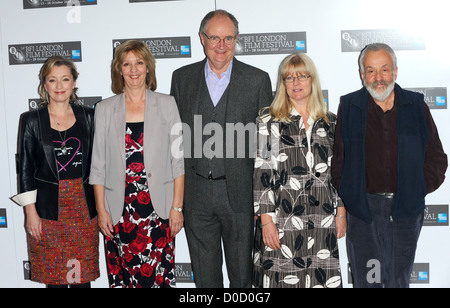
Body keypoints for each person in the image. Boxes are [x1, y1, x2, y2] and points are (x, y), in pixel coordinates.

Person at [170, 10, 273, 288]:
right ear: (202, 38)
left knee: (242, 279)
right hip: (196, 197)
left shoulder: (257, 79)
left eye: (228, 38)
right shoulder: (182, 78)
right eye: (214, 37)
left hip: (240, 197)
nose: (221, 45)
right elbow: (176, 141)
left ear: (237, 39)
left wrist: (263, 202)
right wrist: (177, 201)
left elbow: (266, 149)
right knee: (205, 280)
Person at [332, 43, 447, 288]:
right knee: (367, 281)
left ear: (395, 71)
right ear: (362, 74)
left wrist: (416, 188)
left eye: (384, 70)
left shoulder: (415, 105)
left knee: (397, 281)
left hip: (405, 208)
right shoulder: (350, 106)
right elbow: (339, 162)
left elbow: (437, 157)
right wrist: (351, 198)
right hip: (364, 210)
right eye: (371, 71)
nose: (378, 78)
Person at [89, 40, 185, 288]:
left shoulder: (167, 104)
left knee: (159, 279)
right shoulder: (104, 109)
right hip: (119, 212)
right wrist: (102, 211)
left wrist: (177, 207)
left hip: (158, 210)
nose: (134, 70)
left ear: (148, 68)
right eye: (127, 64)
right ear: (119, 69)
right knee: (125, 280)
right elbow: (97, 166)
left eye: (139, 63)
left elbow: (178, 161)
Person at [252, 53, 346, 288]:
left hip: (322, 219)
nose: (296, 83)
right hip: (282, 218)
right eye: (289, 77)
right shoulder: (268, 121)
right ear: (282, 83)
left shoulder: (331, 122)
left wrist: (341, 211)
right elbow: (262, 171)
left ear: (312, 80)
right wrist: (266, 220)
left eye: (302, 76)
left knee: (320, 280)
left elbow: (339, 172)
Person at [11, 56, 99, 288]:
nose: (59, 86)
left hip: (83, 208)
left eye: (65, 79)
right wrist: (31, 212)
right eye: (52, 80)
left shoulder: (89, 117)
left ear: (74, 82)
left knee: (81, 280)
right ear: (44, 84)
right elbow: (26, 169)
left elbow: (98, 166)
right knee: (55, 280)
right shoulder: (31, 120)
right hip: (48, 211)